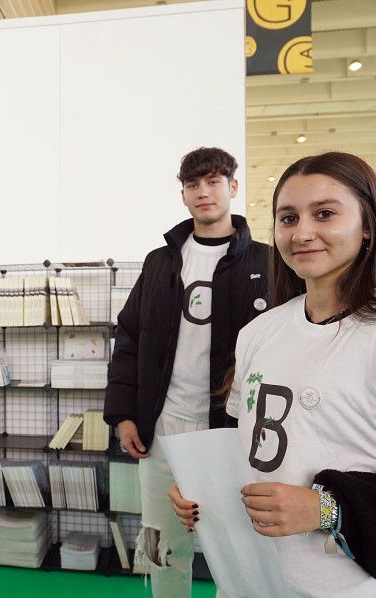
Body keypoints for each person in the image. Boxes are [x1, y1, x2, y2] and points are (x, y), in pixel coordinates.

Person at [169, 152, 376, 596]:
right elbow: (244, 446)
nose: (302, 233)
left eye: (324, 214)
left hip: (354, 587)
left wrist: (327, 509)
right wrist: (201, 491)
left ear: (367, 226)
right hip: (252, 578)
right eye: (287, 217)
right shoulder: (259, 332)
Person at [103, 146, 270, 596]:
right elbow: (130, 336)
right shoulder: (161, 262)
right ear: (183, 195)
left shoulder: (266, 262)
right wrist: (123, 414)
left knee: (235, 542)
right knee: (163, 540)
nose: (204, 192)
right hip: (163, 426)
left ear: (232, 188)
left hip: (233, 430)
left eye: (214, 182)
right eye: (193, 184)